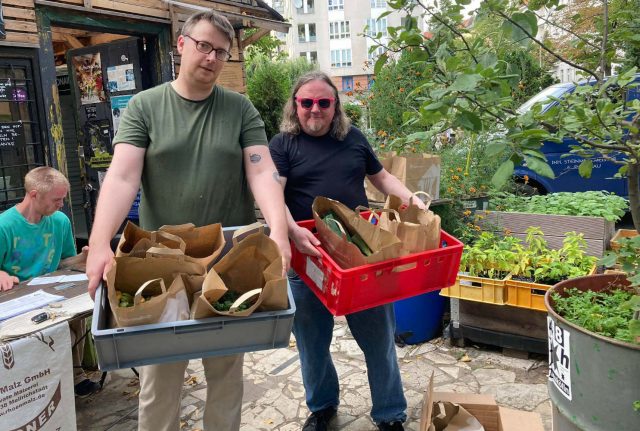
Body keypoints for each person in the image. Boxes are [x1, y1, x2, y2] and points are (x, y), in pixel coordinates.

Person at [85, 10, 290, 431]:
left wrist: (280, 232)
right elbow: (123, 176)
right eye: (204, 45)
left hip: (230, 261)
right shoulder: (146, 106)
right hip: (161, 263)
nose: (212, 57)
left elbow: (261, 170)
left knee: (226, 376)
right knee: (160, 380)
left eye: (221, 52)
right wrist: (101, 241)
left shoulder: (239, 108)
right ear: (182, 43)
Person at [269, 71, 427, 431]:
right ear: (295, 106)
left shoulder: (352, 138)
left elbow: (381, 177)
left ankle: (390, 415)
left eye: (324, 103)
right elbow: (272, 194)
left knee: (379, 339)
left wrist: (411, 197)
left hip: (361, 255)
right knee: (312, 342)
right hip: (308, 256)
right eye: (306, 102)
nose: (315, 110)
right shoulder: (283, 144)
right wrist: (290, 231)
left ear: (335, 106)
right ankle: (322, 407)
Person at [0, 166, 99, 397]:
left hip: (51, 292)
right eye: (57, 199)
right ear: (34, 195)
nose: (61, 204)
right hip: (16, 298)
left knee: (78, 317)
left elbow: (64, 262)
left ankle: (75, 376)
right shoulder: (5, 226)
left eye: (63, 198)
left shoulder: (60, 221)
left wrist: (83, 258)